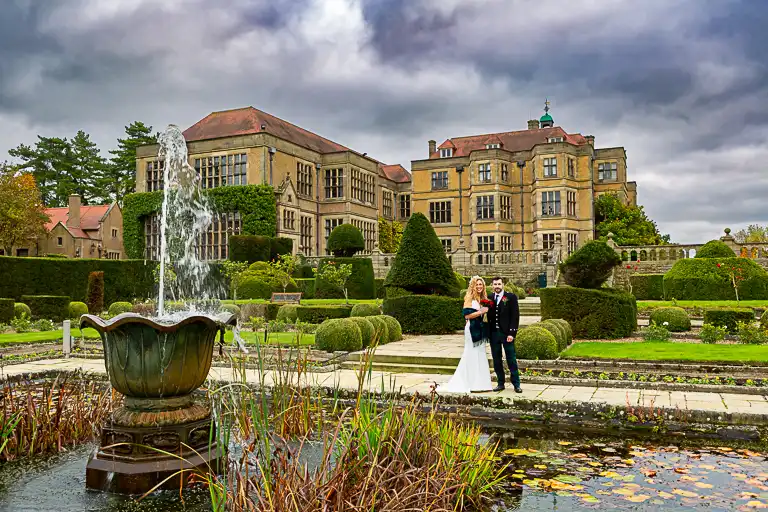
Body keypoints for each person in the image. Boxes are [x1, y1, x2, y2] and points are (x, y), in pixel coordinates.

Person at [438, 276, 493, 393]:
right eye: (477, 284)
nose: (479, 286)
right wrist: (481, 312)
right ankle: (470, 382)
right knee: (471, 353)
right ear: (473, 286)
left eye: (481, 284)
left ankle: (481, 383)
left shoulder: (483, 298)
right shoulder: (469, 298)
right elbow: (466, 315)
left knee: (481, 354)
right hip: (471, 329)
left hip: (481, 329)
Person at [489, 276, 521, 393]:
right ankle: (500, 383)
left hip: (507, 334)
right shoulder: (490, 298)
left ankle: (516, 384)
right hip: (494, 334)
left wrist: (512, 333)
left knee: (511, 359)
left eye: (499, 284)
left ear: (503, 285)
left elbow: (515, 316)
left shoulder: (511, 297)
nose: (497, 286)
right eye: (495, 284)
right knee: (496, 360)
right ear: (492, 286)